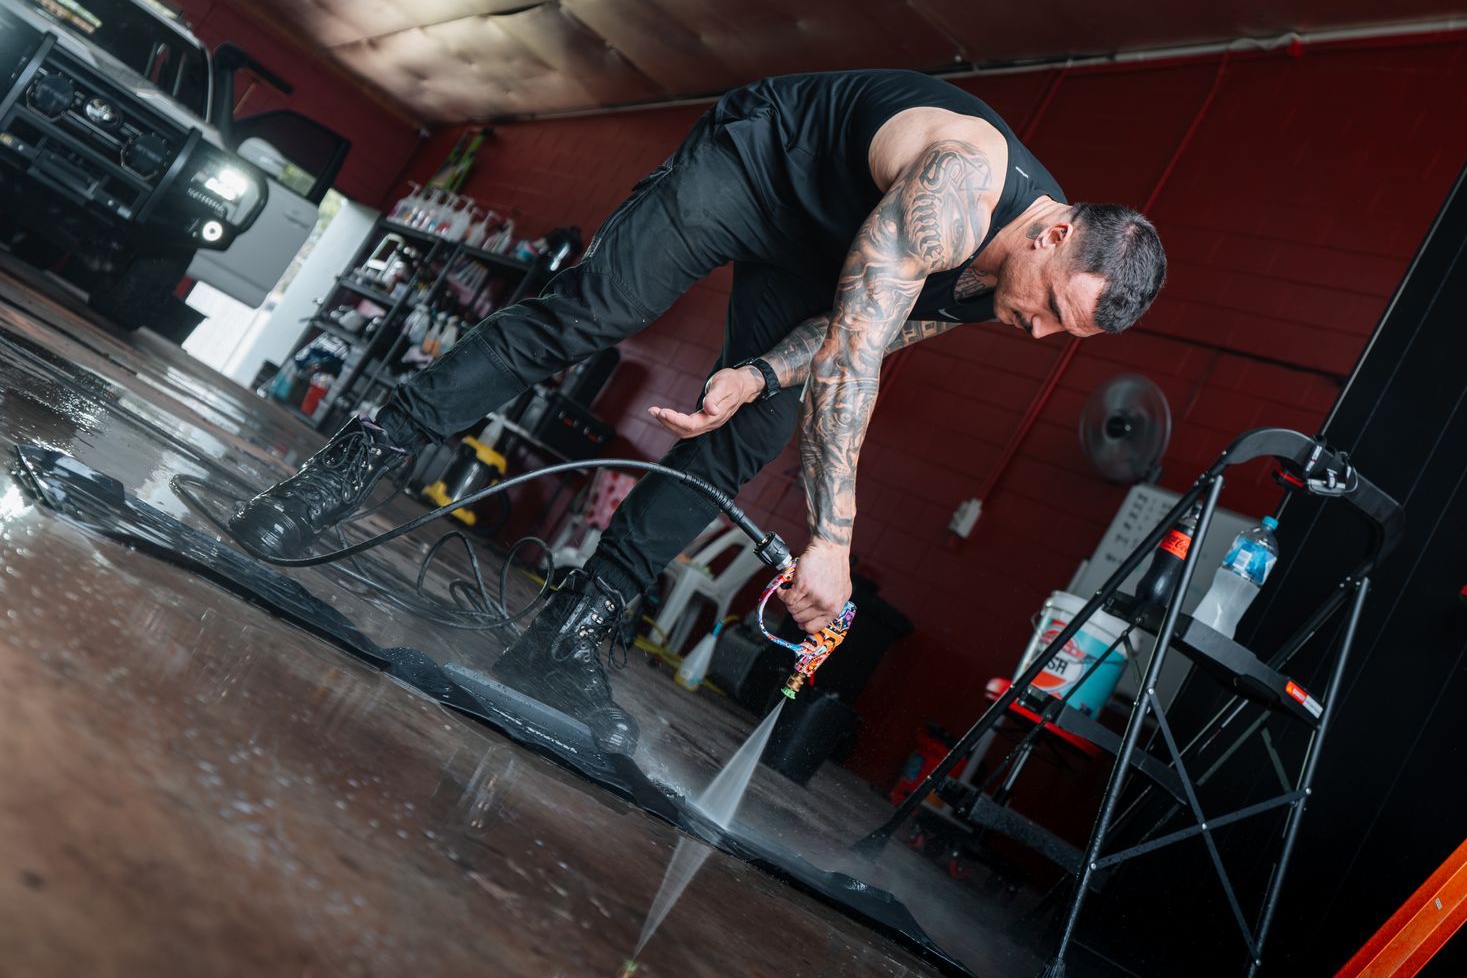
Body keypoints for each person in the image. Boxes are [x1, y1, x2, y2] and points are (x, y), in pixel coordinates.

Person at [232, 70, 1167, 753]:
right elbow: (850, 368)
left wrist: (756, 378)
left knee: (751, 434)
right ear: (1051, 232)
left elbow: (853, 337)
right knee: (594, 312)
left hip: (824, 264)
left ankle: (576, 625)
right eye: (1052, 307)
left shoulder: (996, 283)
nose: (1041, 332)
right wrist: (832, 540)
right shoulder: (959, 192)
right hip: (760, 165)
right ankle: (351, 464)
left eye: (1064, 333)